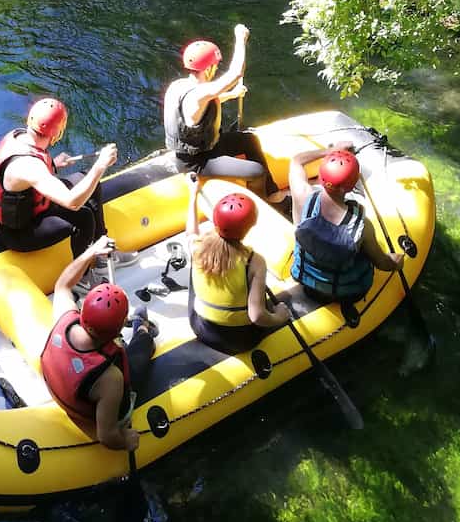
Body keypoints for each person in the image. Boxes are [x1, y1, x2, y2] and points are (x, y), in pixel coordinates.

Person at [0, 97, 131, 275]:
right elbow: (72, 202)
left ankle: (103, 254)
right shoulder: (29, 166)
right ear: (56, 134)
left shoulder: (18, 136)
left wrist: (54, 164)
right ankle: (82, 277)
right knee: (84, 217)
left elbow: (26, 176)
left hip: (33, 205)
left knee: (87, 180)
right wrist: (100, 165)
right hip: (20, 232)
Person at [41, 235, 156, 450]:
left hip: (60, 389)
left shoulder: (65, 318)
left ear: (83, 310)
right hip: (86, 410)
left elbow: (62, 285)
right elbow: (107, 435)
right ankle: (142, 327)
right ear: (121, 327)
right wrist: (126, 440)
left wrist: (91, 251)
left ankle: (142, 326)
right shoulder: (110, 378)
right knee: (144, 344)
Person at [163, 27, 276, 195]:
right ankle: (264, 204)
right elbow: (236, 73)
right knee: (256, 172)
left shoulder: (179, 86)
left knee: (249, 140)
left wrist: (232, 95)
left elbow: (201, 107)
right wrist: (240, 39)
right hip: (197, 160)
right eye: (215, 66)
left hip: (209, 145)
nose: (216, 69)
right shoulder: (198, 94)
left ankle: (272, 192)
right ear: (208, 68)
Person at [289, 148, 405, 303]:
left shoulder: (302, 196)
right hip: (347, 293)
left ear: (320, 177)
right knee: (383, 256)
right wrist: (396, 262)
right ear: (351, 186)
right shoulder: (361, 226)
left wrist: (332, 151)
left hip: (307, 284)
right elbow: (382, 264)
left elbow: (296, 160)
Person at [186, 180, 288, 354]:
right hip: (240, 338)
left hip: (202, 327)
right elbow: (256, 316)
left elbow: (191, 232)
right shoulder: (254, 261)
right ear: (249, 227)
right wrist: (279, 316)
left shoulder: (197, 246)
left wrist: (193, 195)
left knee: (195, 259)